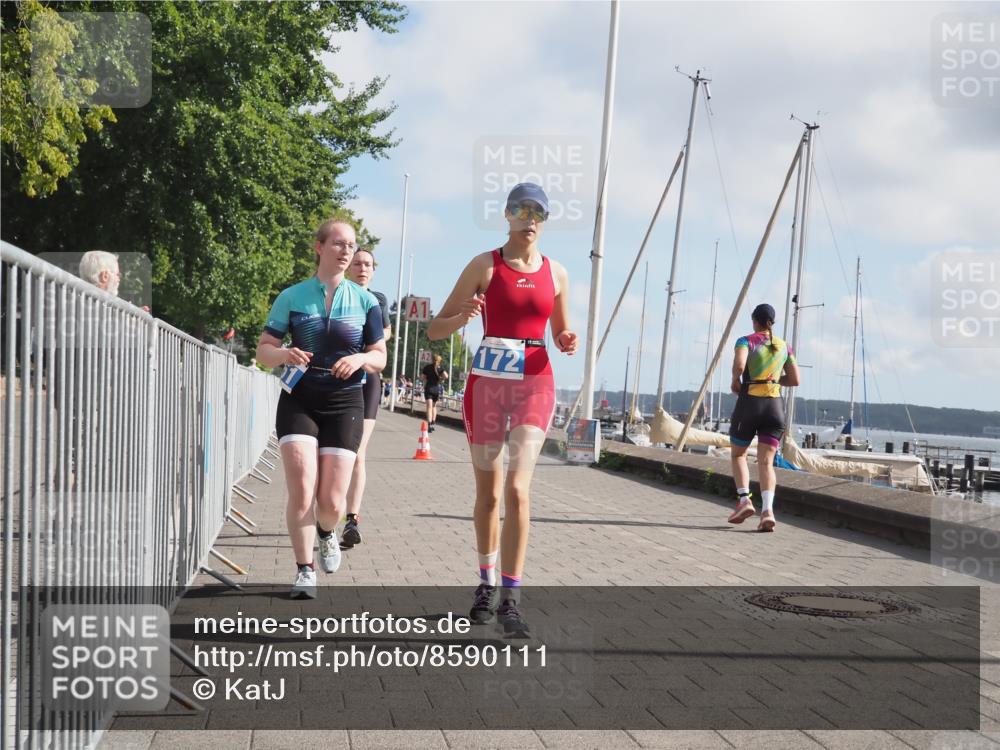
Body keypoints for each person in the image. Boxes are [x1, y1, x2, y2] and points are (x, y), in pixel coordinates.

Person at [427, 183, 577, 635]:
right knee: (489, 495)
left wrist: (567, 340)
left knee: (517, 489)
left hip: (534, 382)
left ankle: (512, 596)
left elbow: (561, 330)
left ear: (545, 221)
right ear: (507, 215)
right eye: (521, 211)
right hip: (488, 385)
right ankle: (486, 583)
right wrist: (465, 316)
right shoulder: (484, 266)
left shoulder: (558, 273)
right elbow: (436, 329)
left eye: (538, 213)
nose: (529, 219)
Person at [255, 219, 387, 599]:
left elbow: (380, 357)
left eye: (351, 245)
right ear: (319, 247)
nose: (346, 251)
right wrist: (283, 353)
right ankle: (304, 570)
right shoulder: (293, 297)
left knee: (331, 501)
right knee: (301, 487)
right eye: (339, 244)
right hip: (300, 398)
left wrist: (361, 358)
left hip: (344, 401)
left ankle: (327, 532)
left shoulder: (366, 302)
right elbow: (265, 349)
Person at [726, 303, 800, 532]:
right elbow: (795, 379)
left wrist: (736, 380)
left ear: (755, 321)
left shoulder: (746, 340)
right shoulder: (784, 346)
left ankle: (744, 500)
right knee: (767, 462)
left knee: (739, 454)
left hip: (750, 404)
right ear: (772, 322)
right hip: (775, 408)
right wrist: (774, 381)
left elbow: (739, 364)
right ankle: (767, 510)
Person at [342, 246, 392, 548]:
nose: (362, 268)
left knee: (358, 451)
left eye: (368, 265)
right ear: (348, 268)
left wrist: (369, 340)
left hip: (368, 376)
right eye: (358, 264)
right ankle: (326, 514)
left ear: (373, 270)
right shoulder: (336, 294)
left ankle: (352, 520)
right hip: (338, 375)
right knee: (336, 452)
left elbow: (386, 331)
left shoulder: (378, 300)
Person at [420, 354, 447, 431]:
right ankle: (433, 423)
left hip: (428, 389)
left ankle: (429, 424)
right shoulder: (440, 368)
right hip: (436, 390)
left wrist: (425, 379)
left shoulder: (427, 367)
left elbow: (422, 378)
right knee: (434, 407)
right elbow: (446, 376)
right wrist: (441, 378)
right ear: (439, 361)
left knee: (429, 407)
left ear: (432, 360)